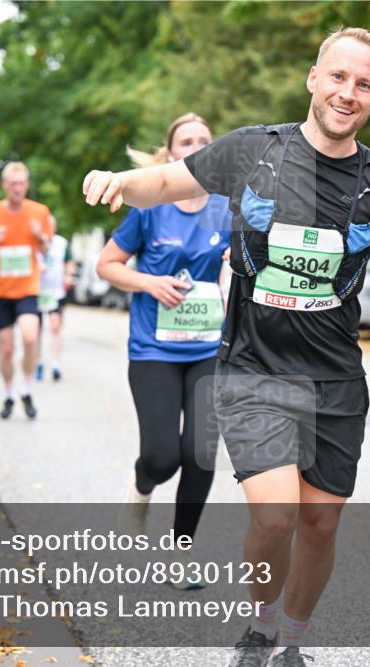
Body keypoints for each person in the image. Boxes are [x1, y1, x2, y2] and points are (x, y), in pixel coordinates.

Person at [83, 27, 370, 666]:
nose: (348, 93)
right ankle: (261, 628)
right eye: (339, 77)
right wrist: (117, 179)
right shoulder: (251, 152)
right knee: (276, 517)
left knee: (321, 524)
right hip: (251, 365)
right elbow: (167, 183)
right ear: (314, 79)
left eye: (364, 84)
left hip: (334, 377)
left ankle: (291, 640)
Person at [96, 113, 232, 588]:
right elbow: (107, 265)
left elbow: (243, 268)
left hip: (208, 348)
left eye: (205, 141)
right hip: (154, 347)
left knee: (200, 452)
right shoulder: (150, 208)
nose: (196, 146)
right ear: (171, 156)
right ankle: (140, 490)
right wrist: (149, 282)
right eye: (186, 141)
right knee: (161, 456)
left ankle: (180, 553)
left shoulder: (229, 208)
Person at [0, 161, 52, 419]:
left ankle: (26, 389)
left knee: (30, 337)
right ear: (4, 185)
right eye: (12, 183)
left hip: (27, 287)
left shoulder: (40, 213)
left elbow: (46, 251)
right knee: (5, 349)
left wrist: (41, 238)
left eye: (21, 183)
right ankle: (8, 394)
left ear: (27, 185)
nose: (17, 188)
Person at [36, 222, 74, 381]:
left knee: (55, 327)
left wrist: (68, 276)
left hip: (55, 292)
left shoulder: (61, 243)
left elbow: (69, 262)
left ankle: (55, 364)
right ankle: (37, 362)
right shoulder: (35, 241)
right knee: (35, 330)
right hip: (37, 290)